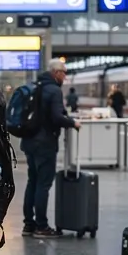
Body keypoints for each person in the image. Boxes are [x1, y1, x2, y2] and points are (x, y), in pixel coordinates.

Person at [22, 59, 79, 237]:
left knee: (32, 182)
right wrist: (73, 123)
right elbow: (56, 117)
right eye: (64, 73)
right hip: (45, 144)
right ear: (56, 73)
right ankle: (41, 226)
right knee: (43, 184)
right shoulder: (54, 90)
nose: (65, 77)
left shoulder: (35, 86)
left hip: (29, 141)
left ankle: (28, 225)